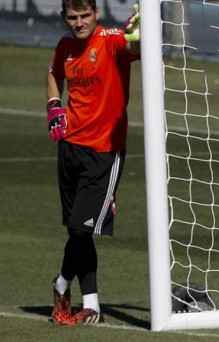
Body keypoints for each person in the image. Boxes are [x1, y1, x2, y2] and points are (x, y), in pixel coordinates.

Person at [46, 0, 140, 325]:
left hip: (105, 150)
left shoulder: (112, 39)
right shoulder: (65, 47)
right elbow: (53, 75)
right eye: (72, 17)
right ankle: (92, 306)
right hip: (69, 147)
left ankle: (61, 282)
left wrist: (138, 34)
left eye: (85, 15)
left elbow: (136, 48)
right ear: (65, 18)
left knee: (79, 226)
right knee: (79, 229)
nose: (79, 22)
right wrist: (53, 105)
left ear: (97, 14)